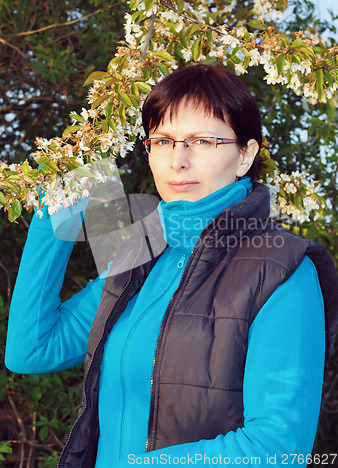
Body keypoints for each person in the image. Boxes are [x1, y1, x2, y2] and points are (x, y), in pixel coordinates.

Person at [5, 65, 338, 468]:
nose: (177, 160)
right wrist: (54, 213)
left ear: (245, 155)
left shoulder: (284, 271)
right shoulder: (137, 255)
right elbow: (32, 351)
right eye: (162, 141)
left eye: (202, 140)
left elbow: (279, 449)